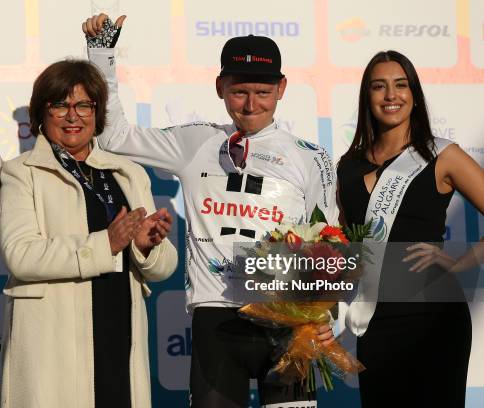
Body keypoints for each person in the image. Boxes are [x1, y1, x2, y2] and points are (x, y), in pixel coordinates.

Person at [83, 14, 337, 408]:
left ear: (282, 88)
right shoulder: (197, 142)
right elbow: (114, 137)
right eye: (239, 92)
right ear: (220, 87)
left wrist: (324, 317)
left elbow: (330, 244)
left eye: (263, 92)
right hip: (216, 321)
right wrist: (101, 55)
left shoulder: (311, 158)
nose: (251, 104)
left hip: (288, 321)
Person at [0, 58, 178, 408]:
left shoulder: (127, 173)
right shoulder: (21, 172)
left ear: (97, 113)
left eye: (83, 105)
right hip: (55, 343)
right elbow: (21, 255)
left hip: (117, 334)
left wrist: (146, 247)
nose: (72, 116)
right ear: (41, 113)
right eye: (60, 105)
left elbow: (163, 267)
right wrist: (105, 244)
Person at [337, 50, 484, 407]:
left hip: (433, 316)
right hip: (375, 319)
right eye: (379, 87)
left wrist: (460, 262)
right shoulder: (347, 165)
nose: (391, 96)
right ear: (366, 96)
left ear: (414, 95)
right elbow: (343, 241)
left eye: (401, 85)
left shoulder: (441, 155)